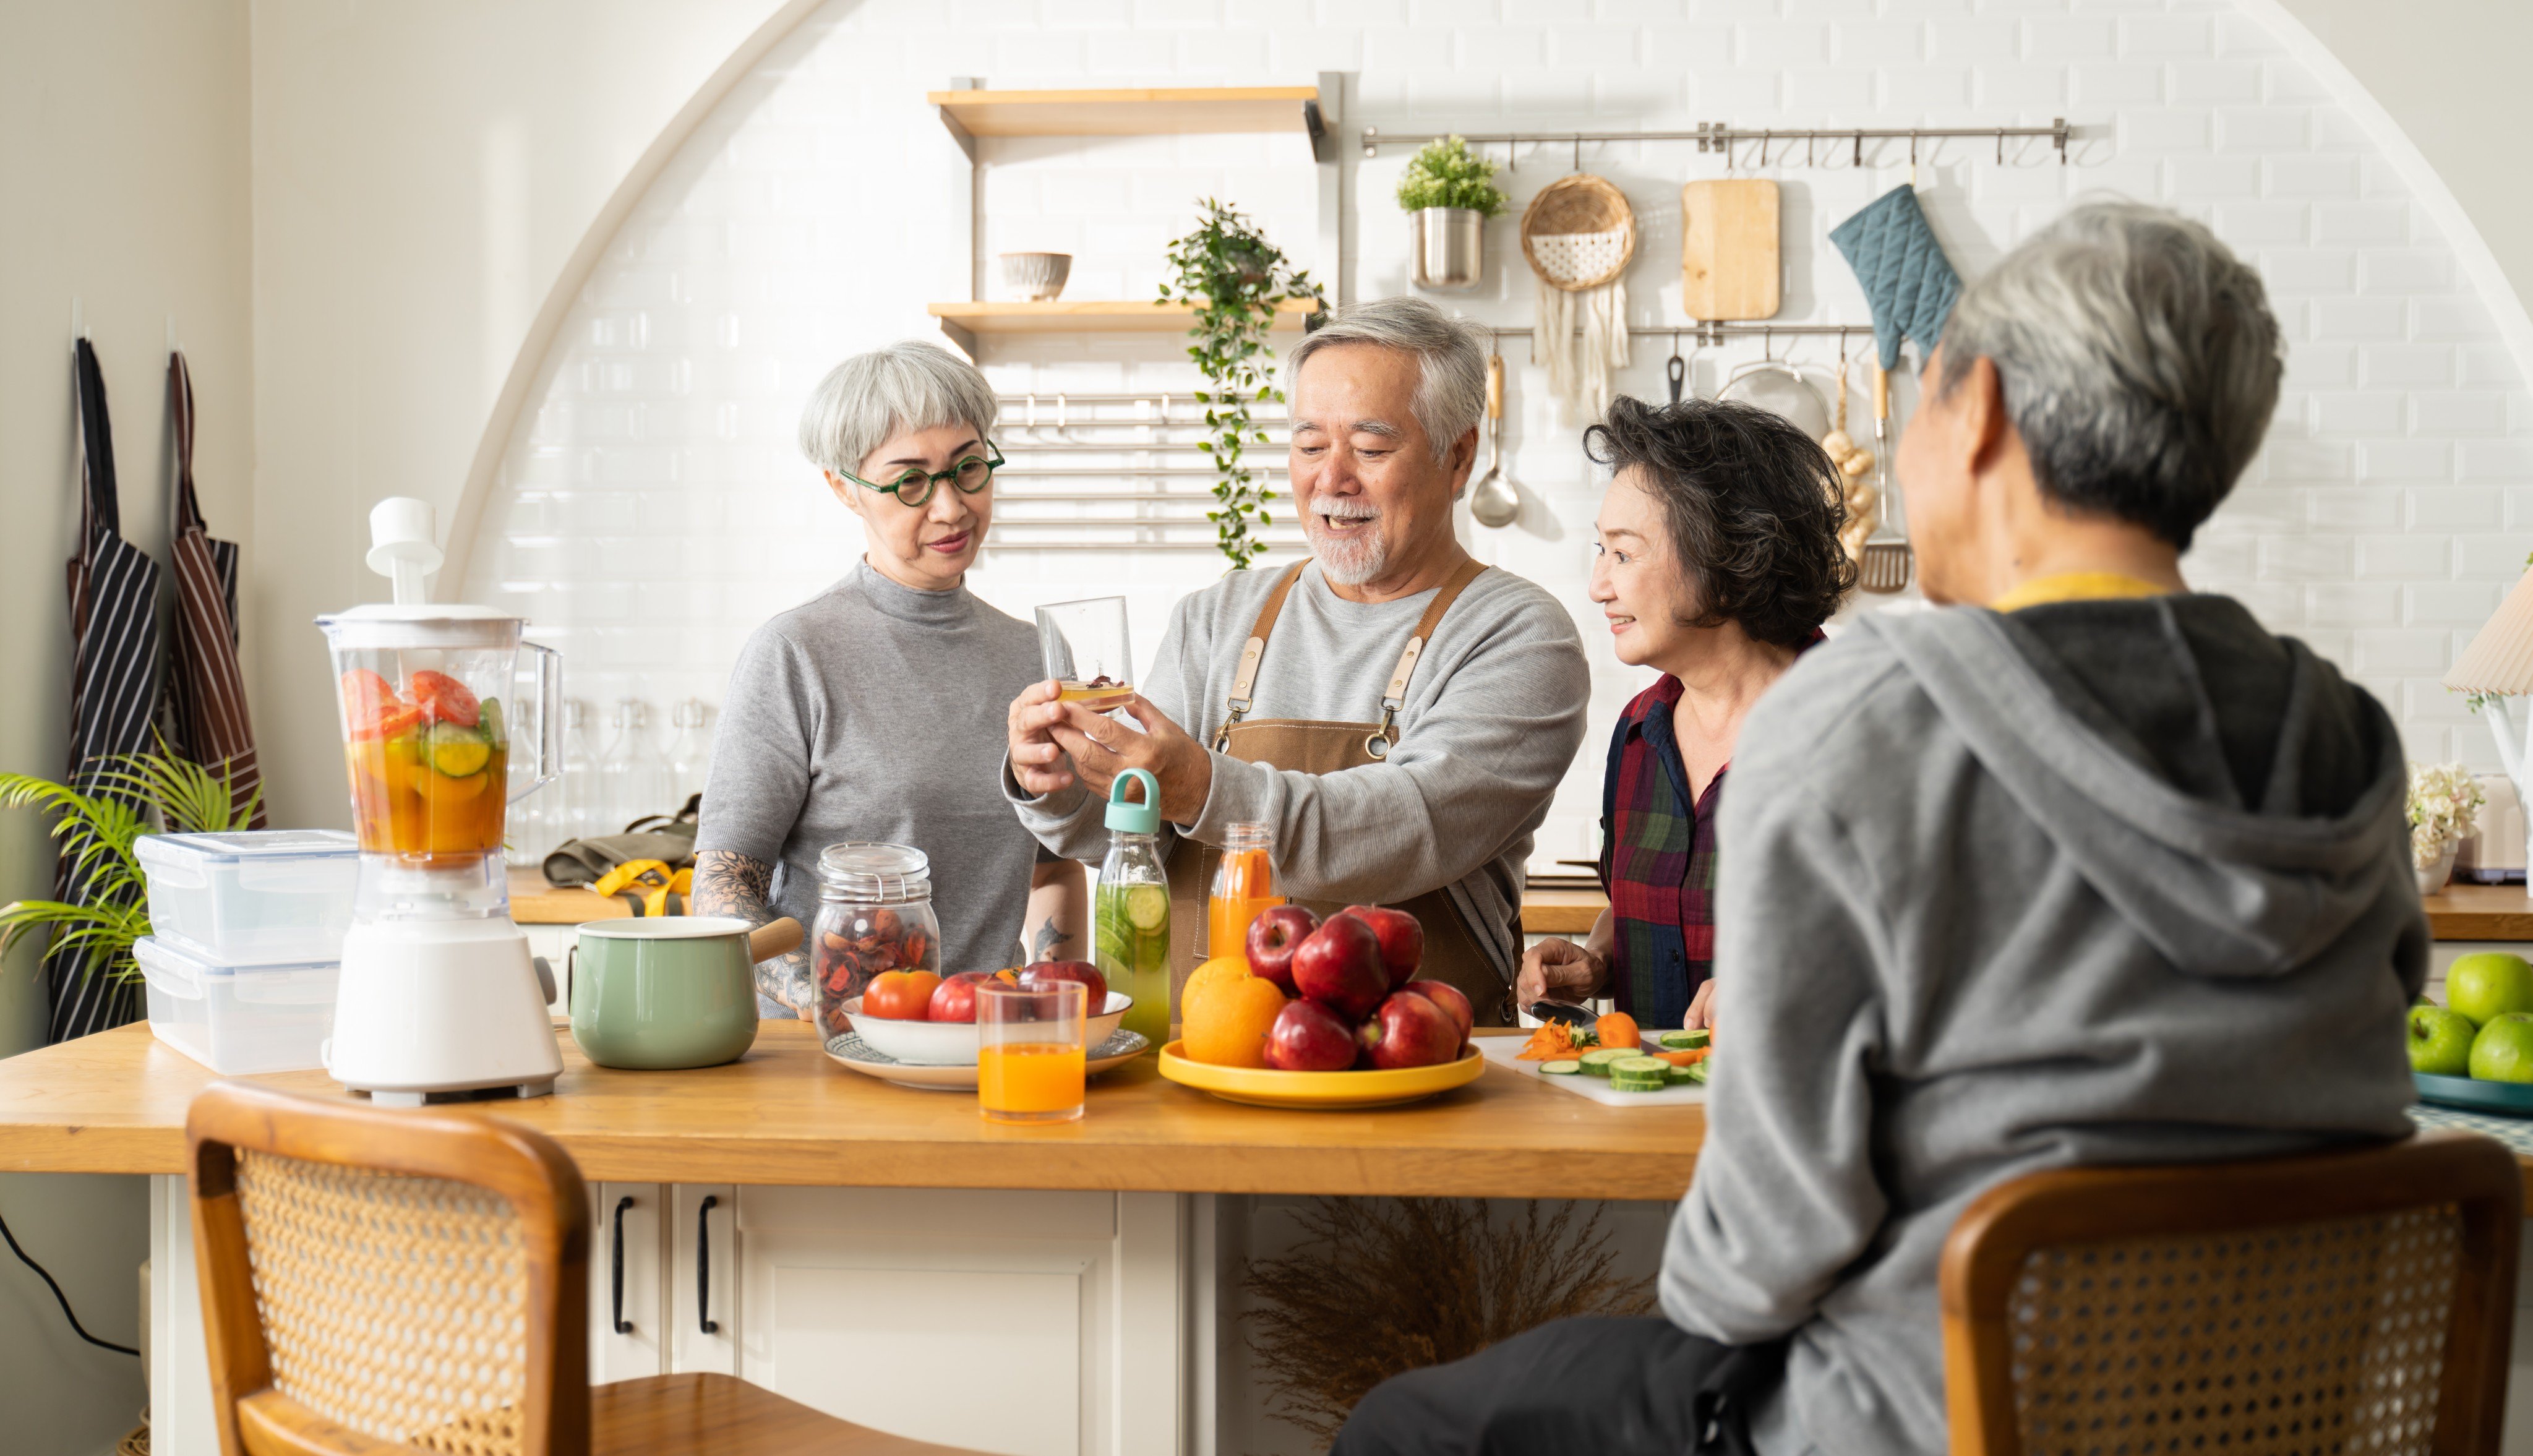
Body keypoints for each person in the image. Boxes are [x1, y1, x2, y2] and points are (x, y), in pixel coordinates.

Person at [1332, 201, 2423, 1456]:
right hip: (2267, 1411)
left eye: (1920, 406)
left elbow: (1751, 1263)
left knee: (1403, 1427)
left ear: (1988, 413)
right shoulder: (2339, 728)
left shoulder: (1862, 718)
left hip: (1928, 1414)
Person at [1003, 298, 1590, 1024]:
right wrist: (1062, 785)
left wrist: (1200, 784)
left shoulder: (1520, 634)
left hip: (1413, 1073)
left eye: (1370, 449)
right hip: (1203, 1053)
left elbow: (1405, 827)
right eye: (1310, 445)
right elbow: (1133, 833)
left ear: (1459, 456)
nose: (1332, 479)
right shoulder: (1218, 614)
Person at [693, 341, 1086, 1017]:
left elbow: (1052, 865)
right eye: (910, 482)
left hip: (984, 1039)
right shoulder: (795, 652)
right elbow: (726, 883)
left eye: (968, 468)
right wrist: (819, 997)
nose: (951, 507)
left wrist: (1051, 1004)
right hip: (830, 1050)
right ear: (843, 487)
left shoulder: (1037, 655)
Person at [1515, 396, 1854, 1032]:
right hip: (1648, 1121)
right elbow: (1654, 907)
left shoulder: (1862, 730)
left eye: (1623, 553)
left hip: (1804, 1116)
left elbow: (1931, 950)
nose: (1598, 584)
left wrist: (1787, 980)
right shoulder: (1640, 732)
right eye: (1601, 550)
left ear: (1727, 558)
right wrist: (1597, 960)